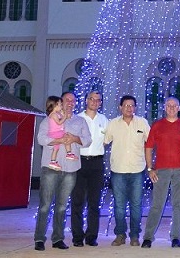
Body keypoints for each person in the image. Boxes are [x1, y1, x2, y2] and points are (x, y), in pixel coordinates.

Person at [34, 92, 91, 251]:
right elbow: (41, 139)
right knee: (45, 205)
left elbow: (87, 140)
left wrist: (74, 139)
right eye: (67, 100)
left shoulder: (80, 121)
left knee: (61, 206)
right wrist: (59, 140)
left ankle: (58, 238)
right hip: (51, 167)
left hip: (71, 169)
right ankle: (39, 238)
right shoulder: (49, 119)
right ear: (61, 102)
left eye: (73, 101)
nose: (70, 103)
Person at [142, 96, 180, 249]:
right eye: (168, 105)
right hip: (161, 171)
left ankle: (175, 237)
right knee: (157, 204)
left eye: (174, 105)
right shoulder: (157, 125)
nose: (171, 108)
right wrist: (149, 168)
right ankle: (148, 237)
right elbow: (149, 147)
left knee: (178, 204)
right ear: (164, 107)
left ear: (179, 108)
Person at [104, 95, 150, 246]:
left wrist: (151, 166)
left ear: (135, 108)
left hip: (137, 170)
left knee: (136, 205)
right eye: (126, 105)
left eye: (132, 106)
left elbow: (150, 143)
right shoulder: (112, 124)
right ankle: (120, 234)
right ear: (120, 107)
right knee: (119, 205)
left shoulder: (142, 123)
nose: (129, 108)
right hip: (118, 170)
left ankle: (135, 235)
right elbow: (103, 142)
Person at [70, 91, 108, 247]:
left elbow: (106, 140)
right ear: (86, 100)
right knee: (77, 201)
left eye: (98, 100)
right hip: (79, 162)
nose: (94, 102)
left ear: (100, 103)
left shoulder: (104, 120)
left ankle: (91, 236)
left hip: (97, 164)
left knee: (94, 202)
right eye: (92, 99)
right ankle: (77, 237)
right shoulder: (77, 119)